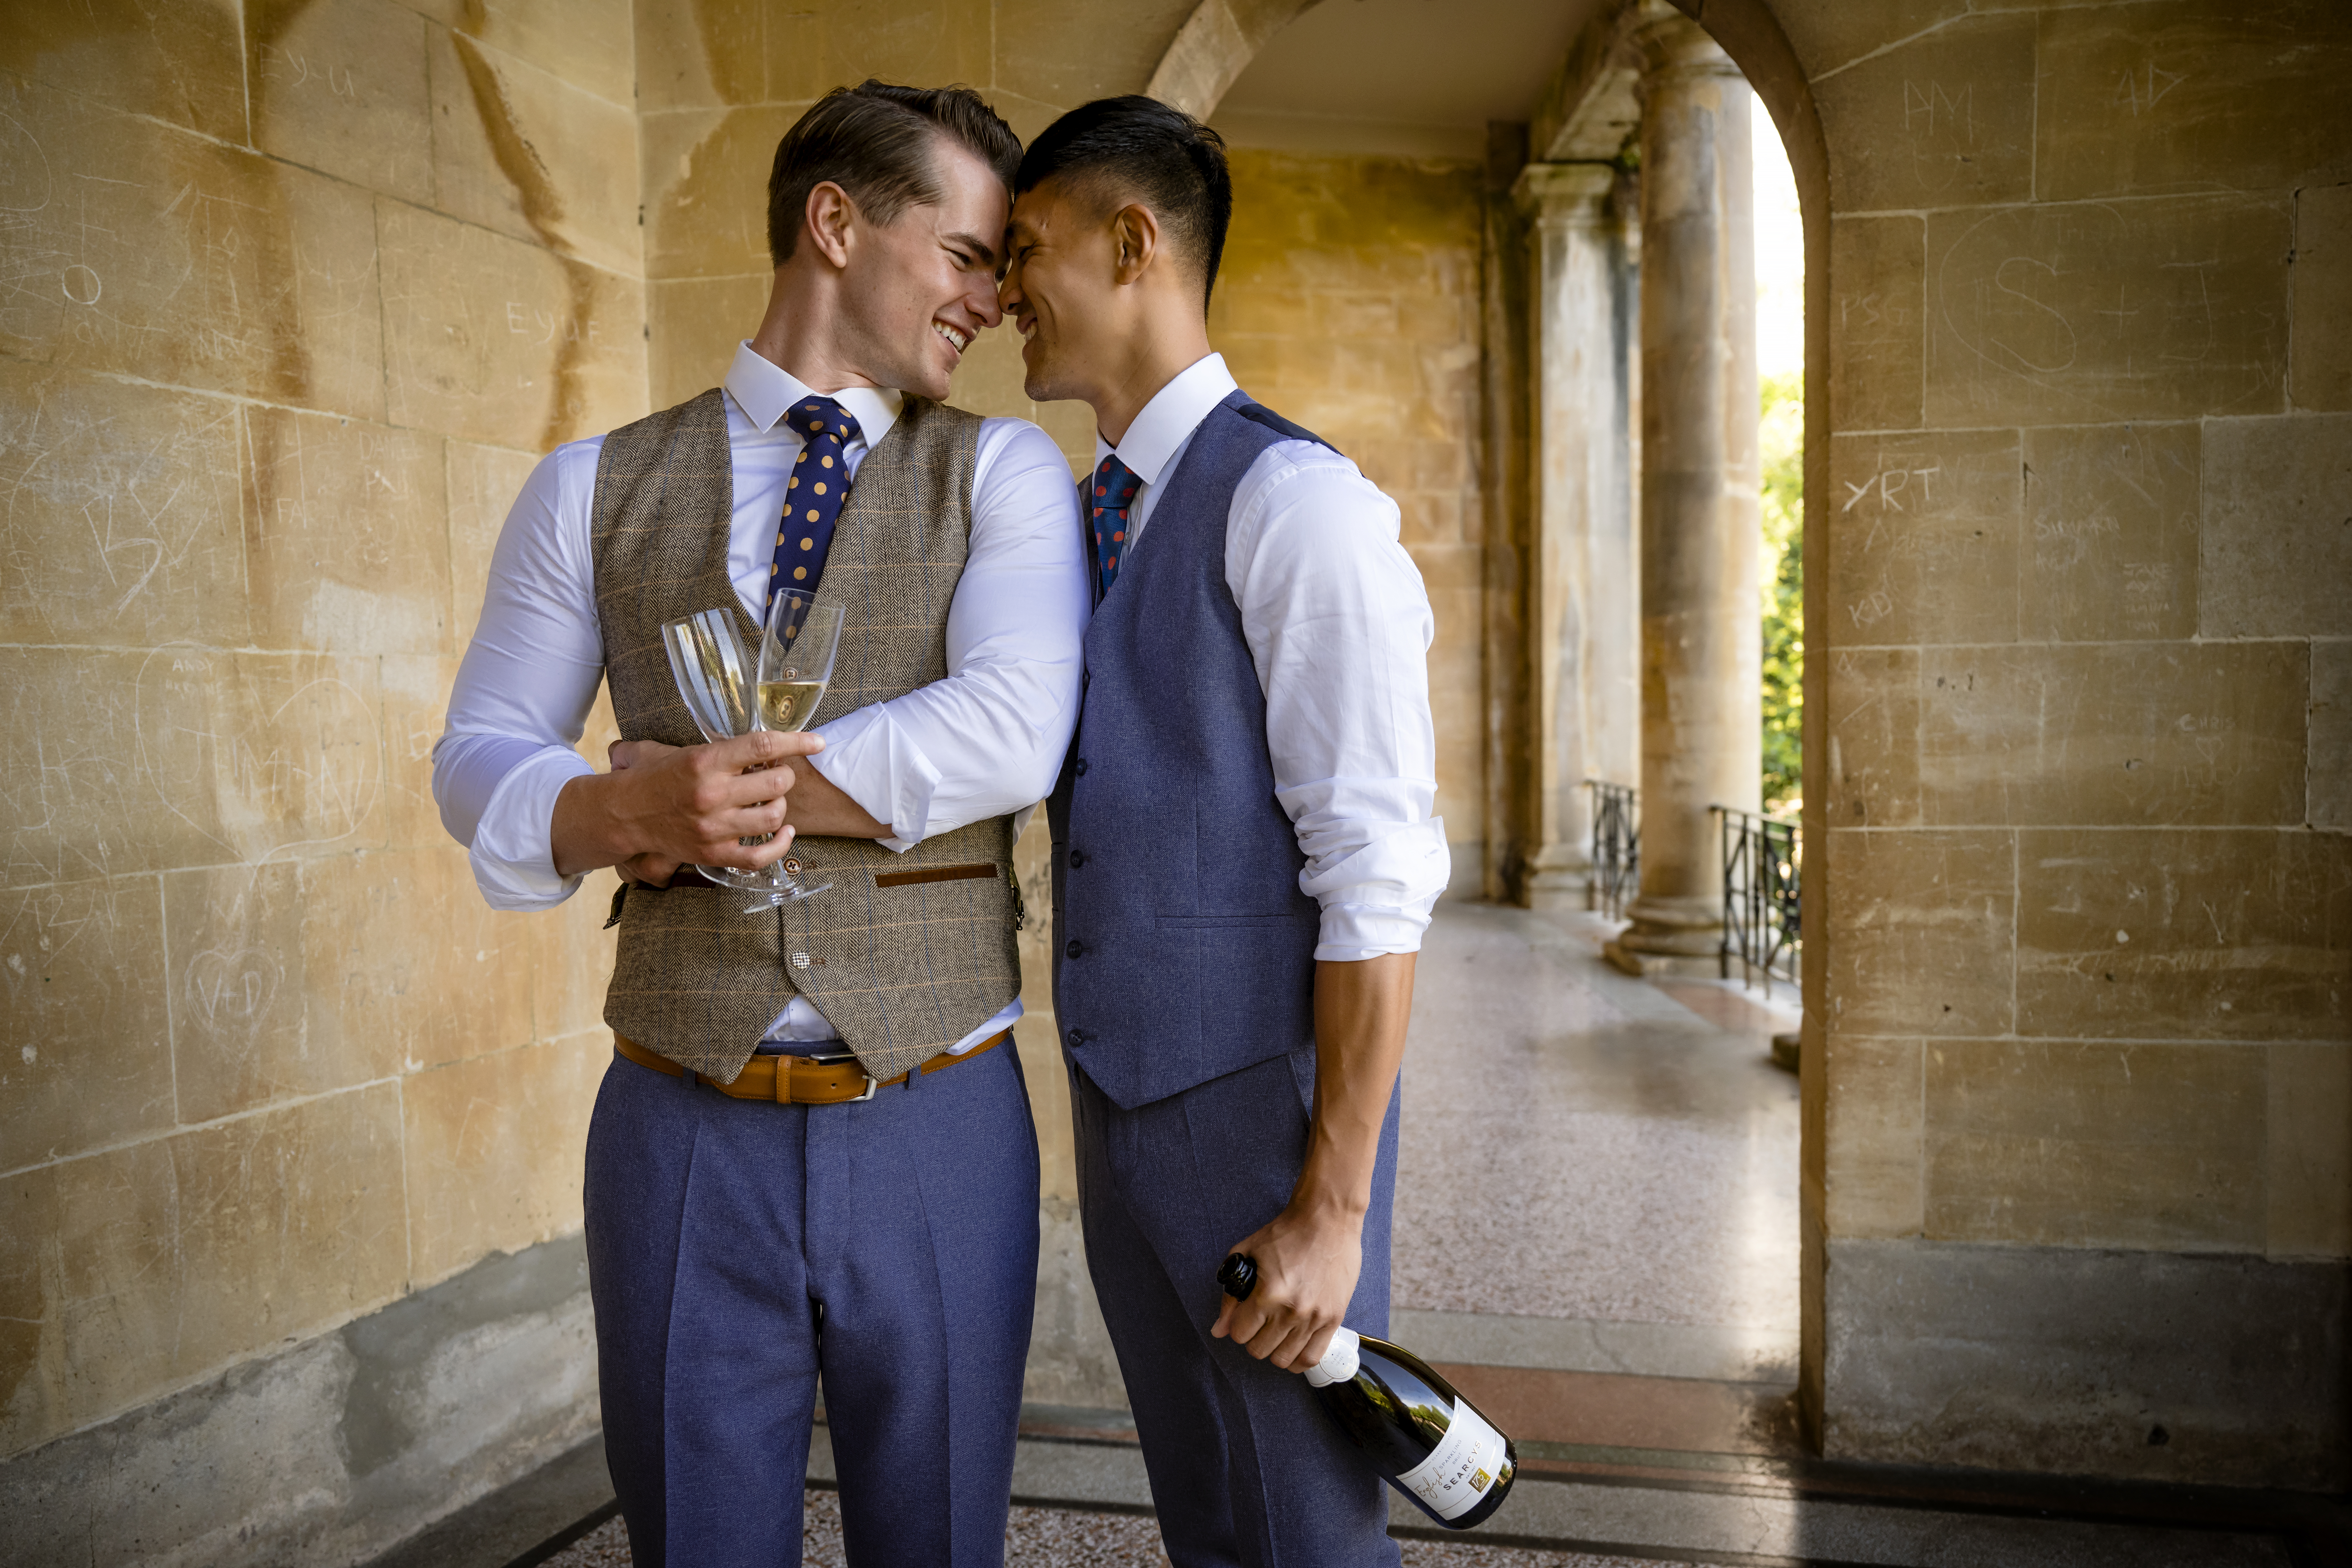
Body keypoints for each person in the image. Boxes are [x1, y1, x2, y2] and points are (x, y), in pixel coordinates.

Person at [432, 81, 1088, 1567]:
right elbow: (475, 755)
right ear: (837, 223)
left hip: (935, 1110)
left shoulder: (1002, 475)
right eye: (971, 252)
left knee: (935, 1543)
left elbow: (1011, 730)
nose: (993, 298)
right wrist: (611, 806)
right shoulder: (584, 486)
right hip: (674, 1124)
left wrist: (725, 792)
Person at [1001, 96, 1449, 1565]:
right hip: (1124, 1116)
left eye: (1028, 247)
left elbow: (1376, 875)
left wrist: (1332, 1210)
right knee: (1211, 1515)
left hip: (1259, 1133)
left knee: (1301, 1531)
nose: (1005, 287)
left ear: (1133, 243)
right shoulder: (1080, 520)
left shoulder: (1301, 505)